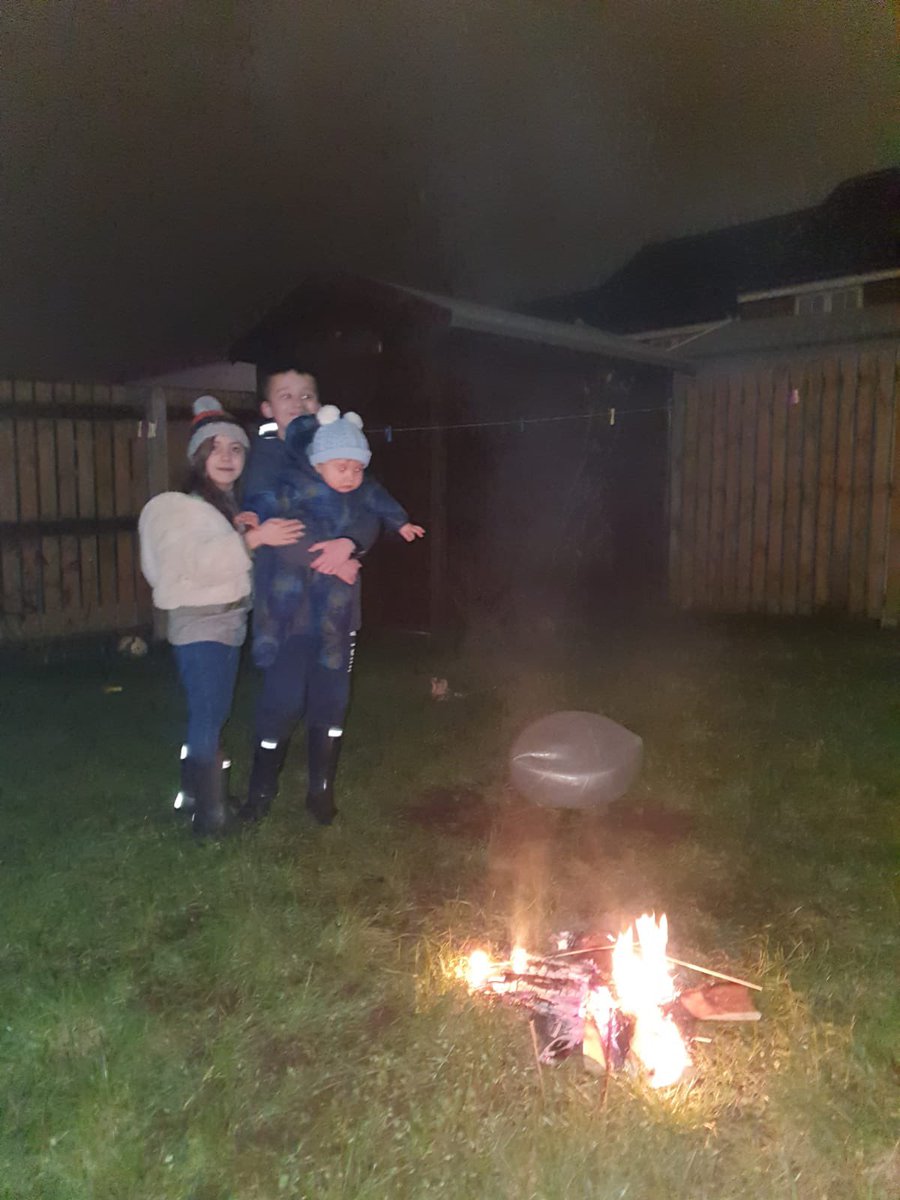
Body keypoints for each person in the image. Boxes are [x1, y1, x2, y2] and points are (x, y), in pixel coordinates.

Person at [239, 403, 424, 826]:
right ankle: (261, 791)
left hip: (339, 621)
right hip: (289, 620)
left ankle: (320, 790)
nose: (351, 475)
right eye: (342, 467)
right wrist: (334, 560)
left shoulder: (358, 494)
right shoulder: (287, 484)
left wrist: (350, 544)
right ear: (318, 461)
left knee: (332, 702)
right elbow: (282, 536)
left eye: (357, 468)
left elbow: (372, 519)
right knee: (282, 701)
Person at [138, 396, 303, 837]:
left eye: (235, 449)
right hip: (200, 623)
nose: (227, 457)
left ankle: (194, 797)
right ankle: (210, 818)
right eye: (215, 448)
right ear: (197, 456)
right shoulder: (176, 507)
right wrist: (252, 540)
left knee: (210, 712)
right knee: (209, 715)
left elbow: (227, 558)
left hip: (227, 623)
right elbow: (191, 563)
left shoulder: (223, 507)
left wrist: (245, 531)